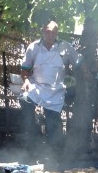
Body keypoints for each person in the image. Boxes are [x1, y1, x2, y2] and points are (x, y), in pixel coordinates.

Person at [19, 20, 79, 151]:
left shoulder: (65, 47)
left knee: (53, 120)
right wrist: (26, 81)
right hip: (37, 86)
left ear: (57, 33)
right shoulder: (33, 47)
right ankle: (33, 134)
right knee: (24, 99)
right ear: (42, 32)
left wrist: (77, 76)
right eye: (47, 32)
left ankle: (55, 150)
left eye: (53, 32)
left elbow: (78, 63)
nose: (50, 35)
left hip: (57, 89)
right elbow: (25, 69)